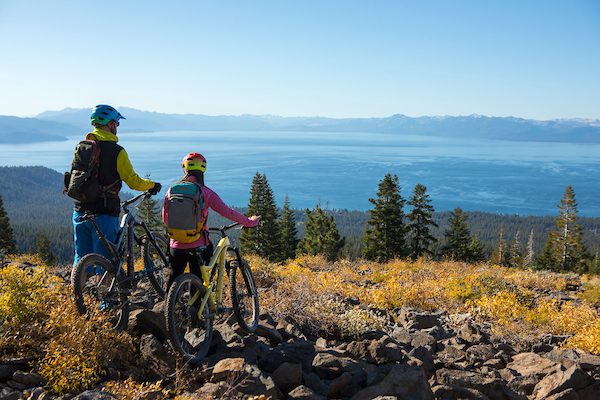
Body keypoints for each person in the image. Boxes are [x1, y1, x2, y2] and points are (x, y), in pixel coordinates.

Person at [72, 105, 161, 267]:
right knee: (106, 262)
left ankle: (76, 291)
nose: (117, 127)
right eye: (117, 123)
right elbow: (133, 182)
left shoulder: (82, 147)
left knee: (81, 259)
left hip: (80, 210)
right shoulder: (118, 151)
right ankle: (105, 291)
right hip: (104, 212)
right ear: (111, 124)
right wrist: (152, 185)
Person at [162, 152, 260, 289]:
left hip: (175, 245)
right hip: (198, 245)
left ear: (185, 168)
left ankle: (170, 307)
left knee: (173, 278)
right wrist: (250, 222)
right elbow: (228, 212)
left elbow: (165, 218)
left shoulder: (172, 190)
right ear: (203, 169)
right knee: (199, 281)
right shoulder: (206, 193)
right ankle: (197, 307)